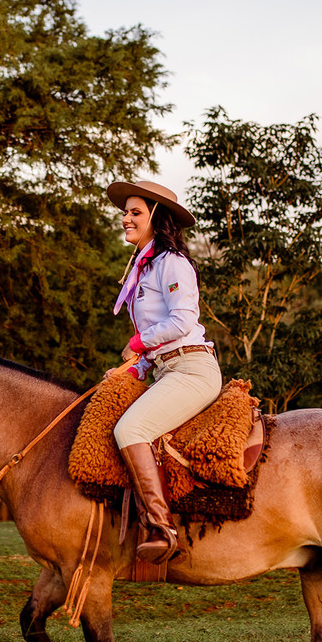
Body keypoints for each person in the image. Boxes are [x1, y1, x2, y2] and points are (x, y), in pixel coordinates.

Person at [107, 180, 222, 563]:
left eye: (135, 213)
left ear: (156, 219)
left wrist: (138, 344)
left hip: (191, 369)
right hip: (166, 369)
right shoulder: (145, 269)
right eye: (125, 212)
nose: (125, 218)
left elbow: (183, 320)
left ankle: (163, 528)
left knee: (130, 429)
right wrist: (133, 369)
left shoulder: (172, 264)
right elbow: (154, 344)